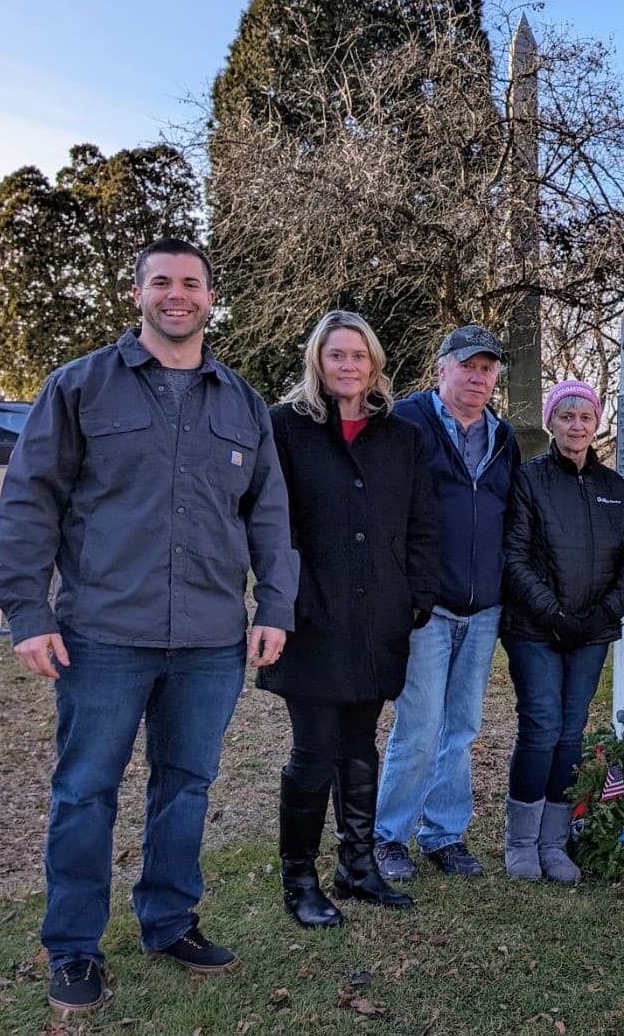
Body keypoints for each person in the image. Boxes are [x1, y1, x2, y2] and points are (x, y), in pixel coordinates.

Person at [0, 238, 297, 1019]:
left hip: (209, 640)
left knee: (186, 787)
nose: (177, 294)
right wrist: (27, 611)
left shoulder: (241, 403)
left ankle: (168, 922)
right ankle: (72, 948)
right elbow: (30, 501)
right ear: (137, 294)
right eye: (161, 281)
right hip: (102, 633)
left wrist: (275, 606)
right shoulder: (81, 387)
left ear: (209, 296)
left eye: (191, 282)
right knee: (86, 791)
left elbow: (270, 516)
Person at [258, 311, 439, 926]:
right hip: (311, 615)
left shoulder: (402, 436)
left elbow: (421, 523)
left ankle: (357, 866)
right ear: (318, 360)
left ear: (375, 363)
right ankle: (299, 880)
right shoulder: (286, 428)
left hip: (380, 614)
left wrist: (417, 596)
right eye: (336, 355)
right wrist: (283, 598)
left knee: (361, 745)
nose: (347, 366)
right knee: (314, 751)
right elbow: (268, 520)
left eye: (358, 356)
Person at [374, 325, 521, 879]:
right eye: (468, 366)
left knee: (461, 726)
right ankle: (388, 837)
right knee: (419, 724)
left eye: (488, 368)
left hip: (483, 609)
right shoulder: (407, 422)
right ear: (442, 370)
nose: (479, 377)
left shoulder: (504, 438)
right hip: (427, 607)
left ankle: (444, 835)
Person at [499, 381, 624, 882]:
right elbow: (514, 556)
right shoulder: (529, 480)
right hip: (535, 630)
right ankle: (521, 841)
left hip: (591, 632)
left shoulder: (613, 486)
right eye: (566, 416)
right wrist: (554, 616)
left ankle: (555, 842)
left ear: (596, 422)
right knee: (540, 725)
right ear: (551, 423)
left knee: (569, 732)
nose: (577, 425)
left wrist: (603, 614)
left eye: (585, 416)